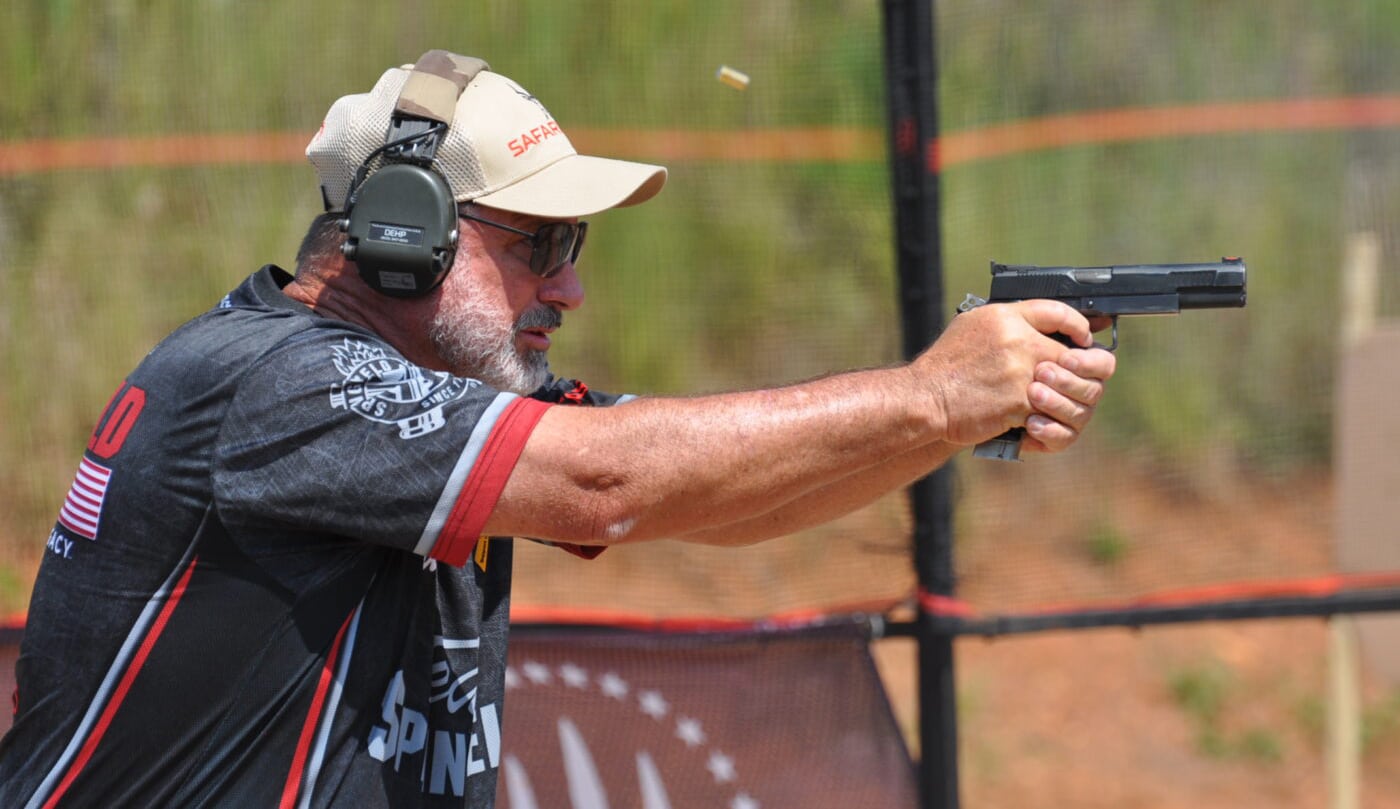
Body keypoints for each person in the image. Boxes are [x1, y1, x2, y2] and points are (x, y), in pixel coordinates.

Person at [0, 51, 1115, 808]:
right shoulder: (276, 381)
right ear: (405, 229)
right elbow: (609, 486)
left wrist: (958, 408)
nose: (566, 291)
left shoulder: (422, 399)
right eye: (540, 243)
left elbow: (722, 498)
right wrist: (931, 397)